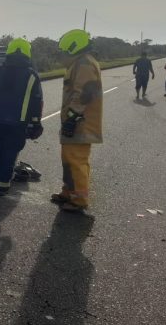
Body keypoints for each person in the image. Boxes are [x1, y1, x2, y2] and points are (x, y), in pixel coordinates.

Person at [51, 29, 103, 212]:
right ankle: (69, 192)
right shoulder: (78, 63)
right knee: (68, 159)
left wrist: (72, 118)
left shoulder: (84, 64)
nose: (62, 56)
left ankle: (79, 200)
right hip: (75, 121)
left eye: (64, 52)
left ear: (73, 48)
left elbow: (83, 94)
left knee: (76, 160)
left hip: (81, 123)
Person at [0, 38, 44, 195]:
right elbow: (36, 101)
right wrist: (35, 123)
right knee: (10, 151)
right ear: (27, 53)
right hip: (18, 122)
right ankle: (3, 184)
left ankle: (1, 177)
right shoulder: (31, 76)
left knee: (2, 148)